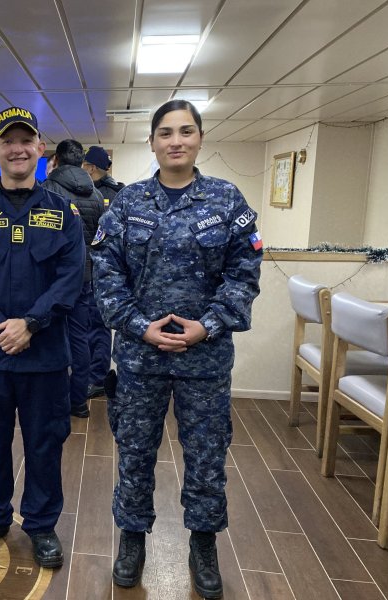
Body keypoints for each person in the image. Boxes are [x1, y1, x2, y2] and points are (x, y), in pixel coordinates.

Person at [90, 100, 262, 598]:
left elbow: (243, 275)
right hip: (142, 359)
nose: (176, 141)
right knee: (135, 452)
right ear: (152, 143)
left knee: (207, 456)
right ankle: (132, 538)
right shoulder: (128, 203)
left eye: (186, 131)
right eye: (165, 133)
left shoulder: (227, 201)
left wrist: (205, 326)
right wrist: (139, 327)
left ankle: (203, 542)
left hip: (204, 359)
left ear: (201, 138)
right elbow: (106, 276)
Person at [0, 106, 84, 569]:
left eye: (26, 140)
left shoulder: (63, 212)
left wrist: (31, 323)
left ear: (40, 150)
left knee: (45, 442)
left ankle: (42, 526)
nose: (17, 148)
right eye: (8, 141)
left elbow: (71, 276)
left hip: (44, 355)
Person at [42, 139, 105, 418]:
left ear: (55, 160)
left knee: (48, 338)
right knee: (80, 339)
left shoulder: (47, 190)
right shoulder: (95, 194)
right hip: (85, 277)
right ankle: (78, 401)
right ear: (82, 162)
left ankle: (50, 401)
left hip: (52, 279)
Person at [82, 146, 124, 398]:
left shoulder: (95, 193)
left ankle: (96, 377)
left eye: (85, 167)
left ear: (92, 168)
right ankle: (94, 374)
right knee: (97, 325)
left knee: (95, 325)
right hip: (109, 271)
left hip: (98, 270)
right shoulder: (121, 191)